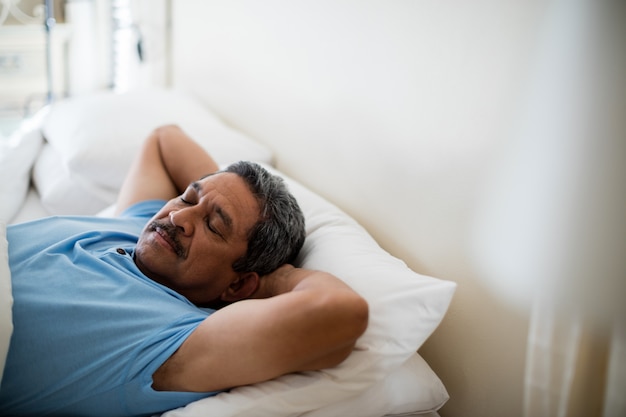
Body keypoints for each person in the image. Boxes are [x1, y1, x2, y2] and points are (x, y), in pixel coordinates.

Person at [0, 125, 368, 417]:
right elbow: (164, 138)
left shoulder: (169, 341)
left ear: (238, 285)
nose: (177, 216)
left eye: (213, 226)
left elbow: (339, 314)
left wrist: (274, 278)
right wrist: (220, 196)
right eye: (187, 199)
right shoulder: (142, 226)